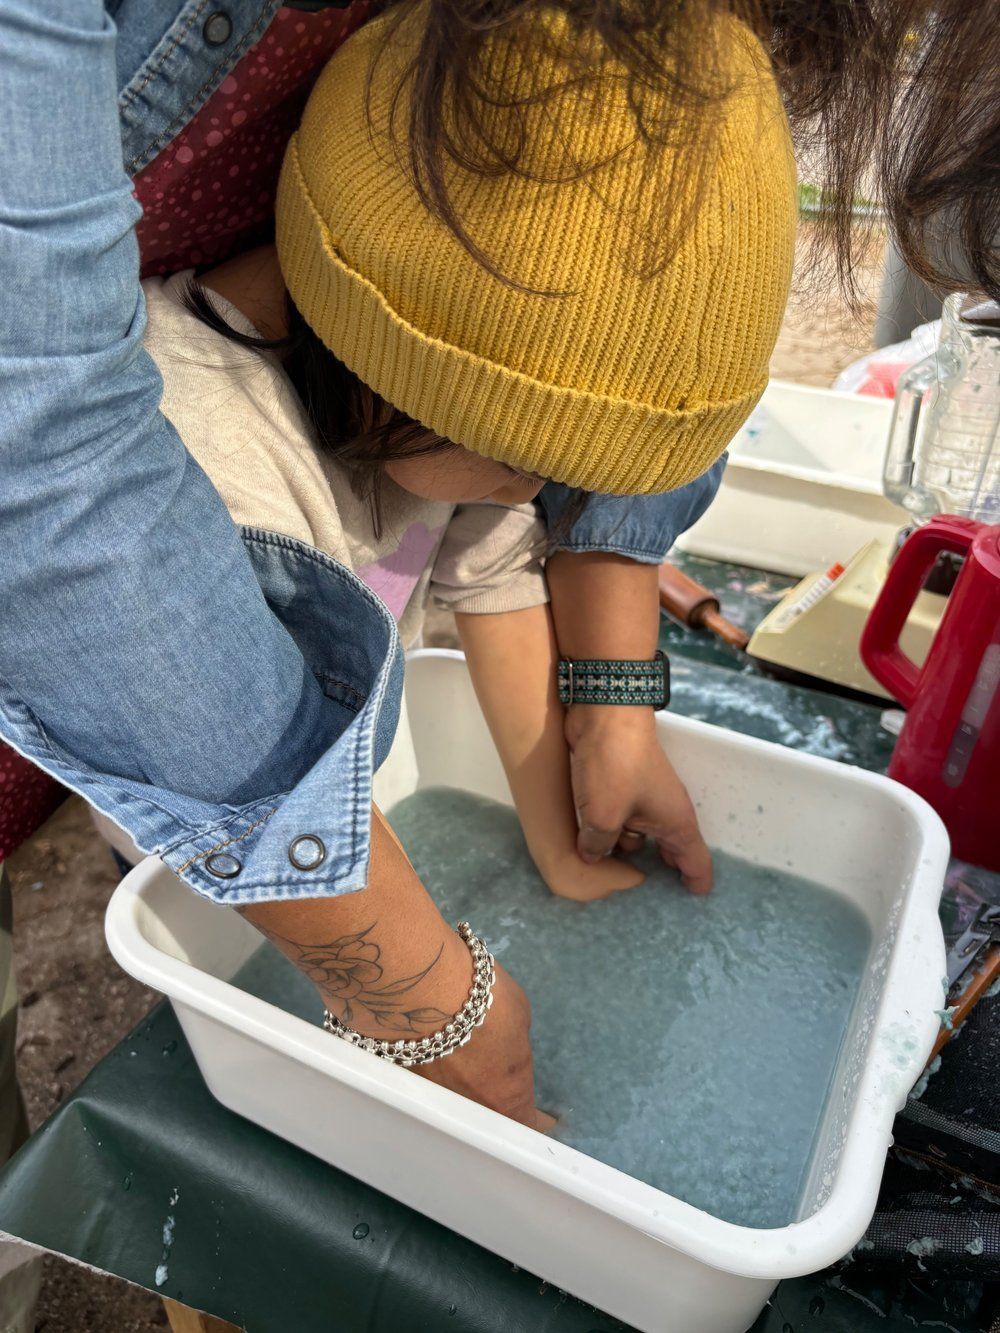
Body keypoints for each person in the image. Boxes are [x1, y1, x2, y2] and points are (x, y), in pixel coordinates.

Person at [138, 0, 795, 1126]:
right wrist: (428, 996)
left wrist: (563, 844)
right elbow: (245, 785)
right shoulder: (202, 456)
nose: (533, 497)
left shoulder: (442, 421)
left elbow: (494, 581)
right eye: (526, 463)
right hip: (210, 819)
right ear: (393, 363)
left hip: (325, 799)